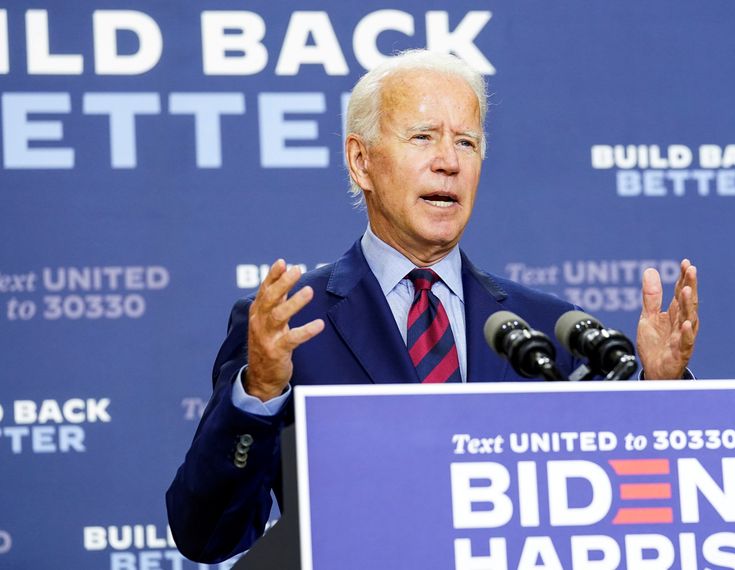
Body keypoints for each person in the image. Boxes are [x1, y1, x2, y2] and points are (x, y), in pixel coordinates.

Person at [166, 49, 699, 563]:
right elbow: (206, 535)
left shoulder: (545, 328)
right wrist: (258, 393)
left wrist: (661, 393)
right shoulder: (294, 324)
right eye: (423, 138)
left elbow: (629, 510)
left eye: (466, 143)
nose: (448, 163)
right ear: (361, 161)